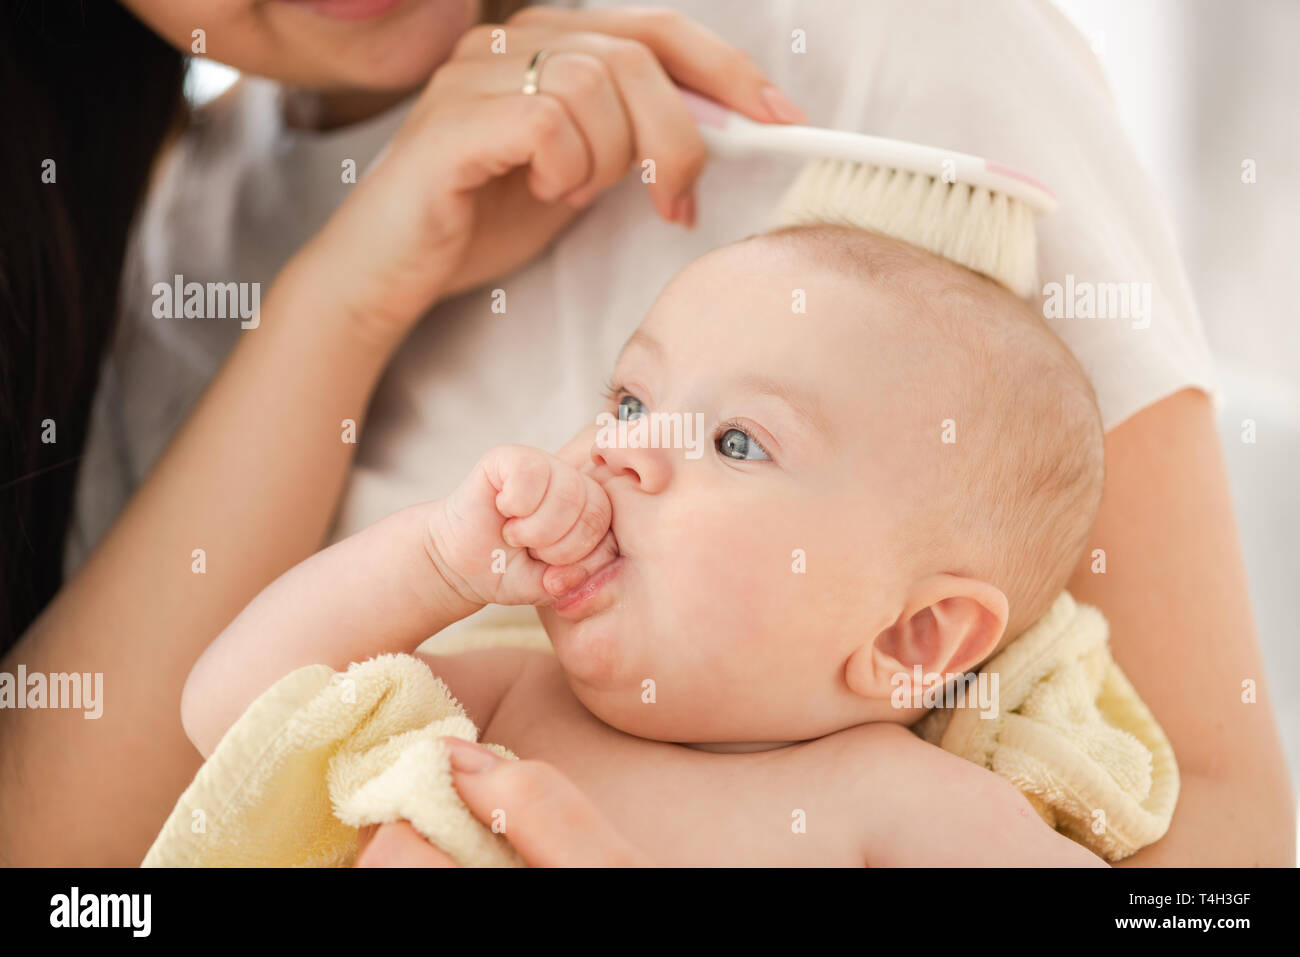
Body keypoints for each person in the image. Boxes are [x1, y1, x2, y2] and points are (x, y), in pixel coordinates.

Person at [2, 0, 1290, 866]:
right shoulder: (514, 684)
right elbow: (226, 724)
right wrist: (348, 333)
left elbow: (1222, 851)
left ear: (916, 640)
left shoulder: (911, 807)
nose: (620, 450)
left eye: (736, 444)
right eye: (623, 403)